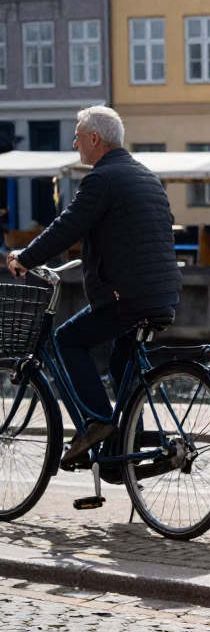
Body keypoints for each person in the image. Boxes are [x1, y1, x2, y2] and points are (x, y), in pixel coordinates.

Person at [6, 106, 180, 468]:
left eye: (78, 136)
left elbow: (67, 227)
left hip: (127, 296)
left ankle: (97, 422)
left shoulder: (102, 180)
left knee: (68, 340)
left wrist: (25, 257)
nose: (74, 143)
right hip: (162, 293)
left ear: (95, 139)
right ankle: (126, 454)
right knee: (121, 364)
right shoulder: (146, 176)